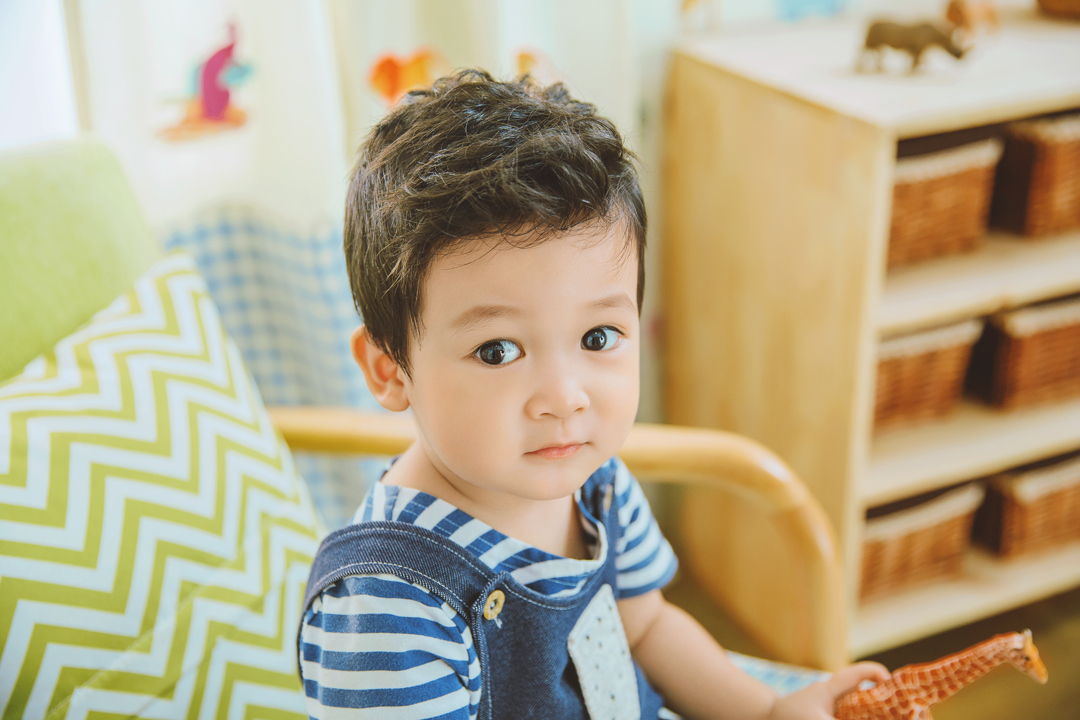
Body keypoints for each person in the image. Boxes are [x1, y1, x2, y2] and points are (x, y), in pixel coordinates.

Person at [298, 69, 888, 719]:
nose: (565, 397)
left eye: (599, 336)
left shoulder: (596, 483)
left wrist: (768, 712)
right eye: (498, 351)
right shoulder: (387, 605)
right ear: (389, 369)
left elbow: (647, 627)